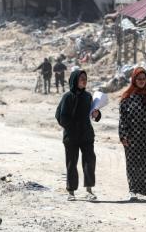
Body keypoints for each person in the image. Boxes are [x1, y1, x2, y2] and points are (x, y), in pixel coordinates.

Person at [55, 70, 101, 201]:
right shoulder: (67, 97)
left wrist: (97, 115)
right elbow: (61, 116)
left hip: (87, 135)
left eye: (85, 78)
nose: (84, 80)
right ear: (75, 80)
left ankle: (89, 190)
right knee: (71, 163)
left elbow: (93, 114)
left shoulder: (88, 96)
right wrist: (72, 128)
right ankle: (71, 191)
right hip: (71, 137)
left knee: (89, 162)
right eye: (81, 78)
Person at [119, 67, 146, 201]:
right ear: (134, 80)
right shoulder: (127, 97)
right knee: (133, 164)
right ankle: (133, 190)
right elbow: (123, 118)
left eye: (143, 79)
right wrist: (123, 135)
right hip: (132, 137)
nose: (141, 81)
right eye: (139, 79)